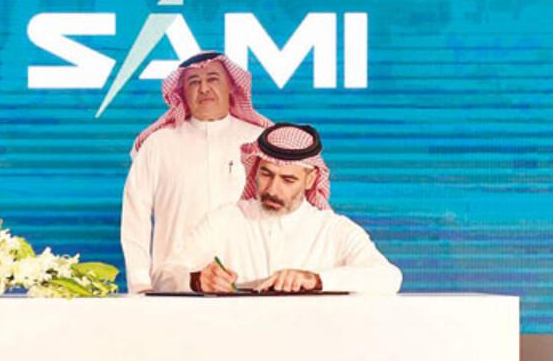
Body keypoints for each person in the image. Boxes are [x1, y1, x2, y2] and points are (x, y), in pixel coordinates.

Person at [156, 123, 402, 294]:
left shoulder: (333, 230)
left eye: (288, 179)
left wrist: (316, 280)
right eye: (266, 174)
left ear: (310, 179)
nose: (273, 189)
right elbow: (163, 277)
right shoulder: (225, 220)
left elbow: (388, 277)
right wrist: (197, 280)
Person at [121, 51, 271, 293]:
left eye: (213, 79)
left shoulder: (261, 141)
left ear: (231, 86)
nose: (204, 88)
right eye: (193, 82)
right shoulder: (158, 144)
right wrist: (140, 284)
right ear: (182, 92)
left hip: (250, 285)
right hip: (176, 287)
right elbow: (135, 218)